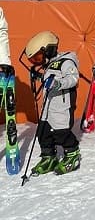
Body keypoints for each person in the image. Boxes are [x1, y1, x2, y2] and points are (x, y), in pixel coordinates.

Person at [24, 31, 81, 175]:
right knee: (43, 133)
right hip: (48, 106)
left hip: (61, 106)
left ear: (48, 50)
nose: (37, 61)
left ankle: (72, 154)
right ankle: (48, 157)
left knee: (61, 132)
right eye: (33, 59)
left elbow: (73, 78)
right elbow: (48, 78)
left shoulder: (66, 61)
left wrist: (58, 83)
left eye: (38, 57)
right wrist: (38, 77)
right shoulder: (50, 63)